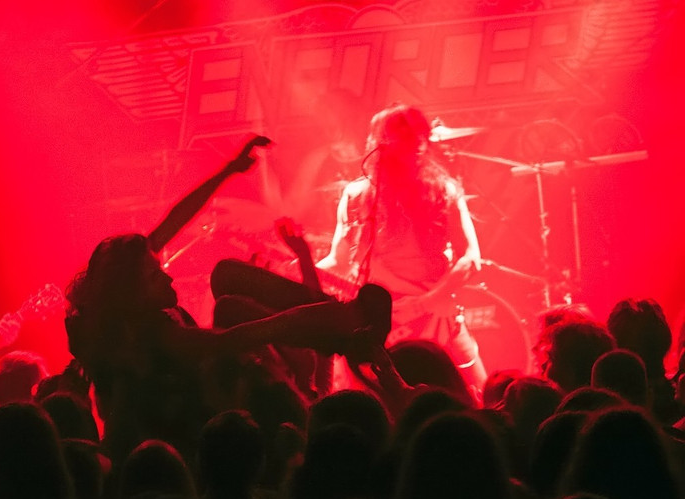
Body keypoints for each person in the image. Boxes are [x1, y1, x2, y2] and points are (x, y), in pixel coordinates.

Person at [65, 137, 391, 463]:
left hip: (211, 382)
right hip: (204, 418)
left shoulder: (130, 285)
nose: (167, 276)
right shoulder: (156, 334)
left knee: (226, 277)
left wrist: (229, 170)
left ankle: (347, 323)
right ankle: (345, 328)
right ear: (133, 296)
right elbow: (236, 338)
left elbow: (177, 217)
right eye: (155, 276)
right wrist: (307, 319)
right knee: (232, 310)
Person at [316, 103, 485, 390]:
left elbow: (471, 258)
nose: (418, 143)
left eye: (422, 135)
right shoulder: (357, 195)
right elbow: (339, 260)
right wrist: (299, 266)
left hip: (435, 313)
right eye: (408, 136)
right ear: (384, 142)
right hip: (381, 320)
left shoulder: (444, 190)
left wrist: (423, 303)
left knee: (478, 395)